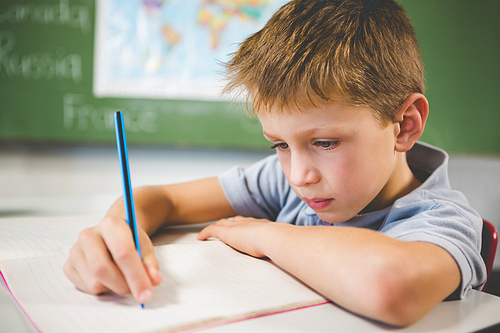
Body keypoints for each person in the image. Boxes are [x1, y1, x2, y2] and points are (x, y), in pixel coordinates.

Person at [64, 0, 486, 327]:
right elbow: (165, 200)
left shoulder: (442, 220)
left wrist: (264, 234)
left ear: (404, 126)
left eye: (324, 142)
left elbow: (390, 288)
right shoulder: (300, 184)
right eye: (279, 145)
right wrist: (119, 230)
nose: (298, 176)